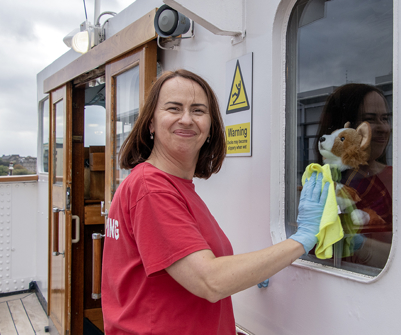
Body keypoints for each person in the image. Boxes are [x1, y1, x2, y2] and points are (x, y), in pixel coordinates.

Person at [101, 69, 328, 334]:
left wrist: (257, 268)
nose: (186, 119)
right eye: (174, 108)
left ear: (210, 127)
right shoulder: (151, 188)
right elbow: (209, 280)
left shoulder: (174, 186)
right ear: (151, 122)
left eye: (198, 111)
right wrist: (301, 239)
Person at [315, 83, 392, 268]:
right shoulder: (324, 181)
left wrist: (361, 245)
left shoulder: (394, 179)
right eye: (370, 119)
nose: (383, 128)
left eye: (385, 118)